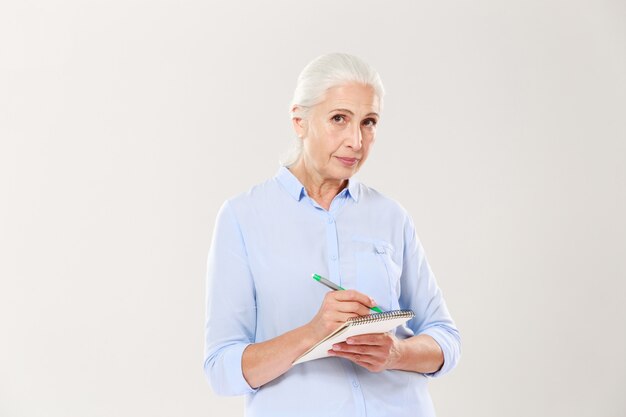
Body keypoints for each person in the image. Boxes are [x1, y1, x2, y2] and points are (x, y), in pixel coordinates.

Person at [204, 53, 461, 417]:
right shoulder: (242, 217)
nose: (356, 140)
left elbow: (446, 338)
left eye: (368, 122)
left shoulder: (390, 216)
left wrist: (396, 353)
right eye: (339, 119)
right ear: (299, 120)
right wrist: (314, 332)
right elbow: (221, 369)